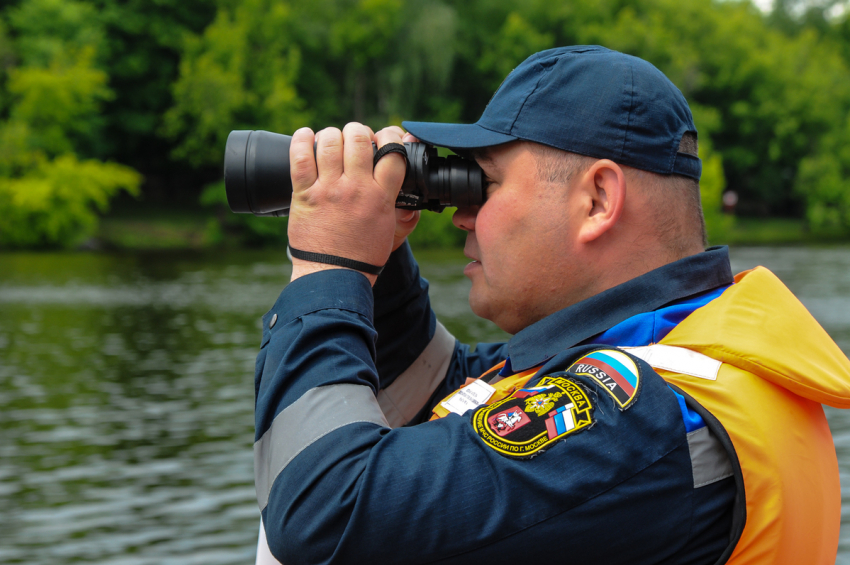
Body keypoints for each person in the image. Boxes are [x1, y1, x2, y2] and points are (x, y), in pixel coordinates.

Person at [252, 46, 850, 565]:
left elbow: (326, 514)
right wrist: (379, 263)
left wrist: (332, 270)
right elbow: (444, 397)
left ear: (596, 199)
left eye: (484, 182)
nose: (461, 214)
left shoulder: (646, 418)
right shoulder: (675, 351)